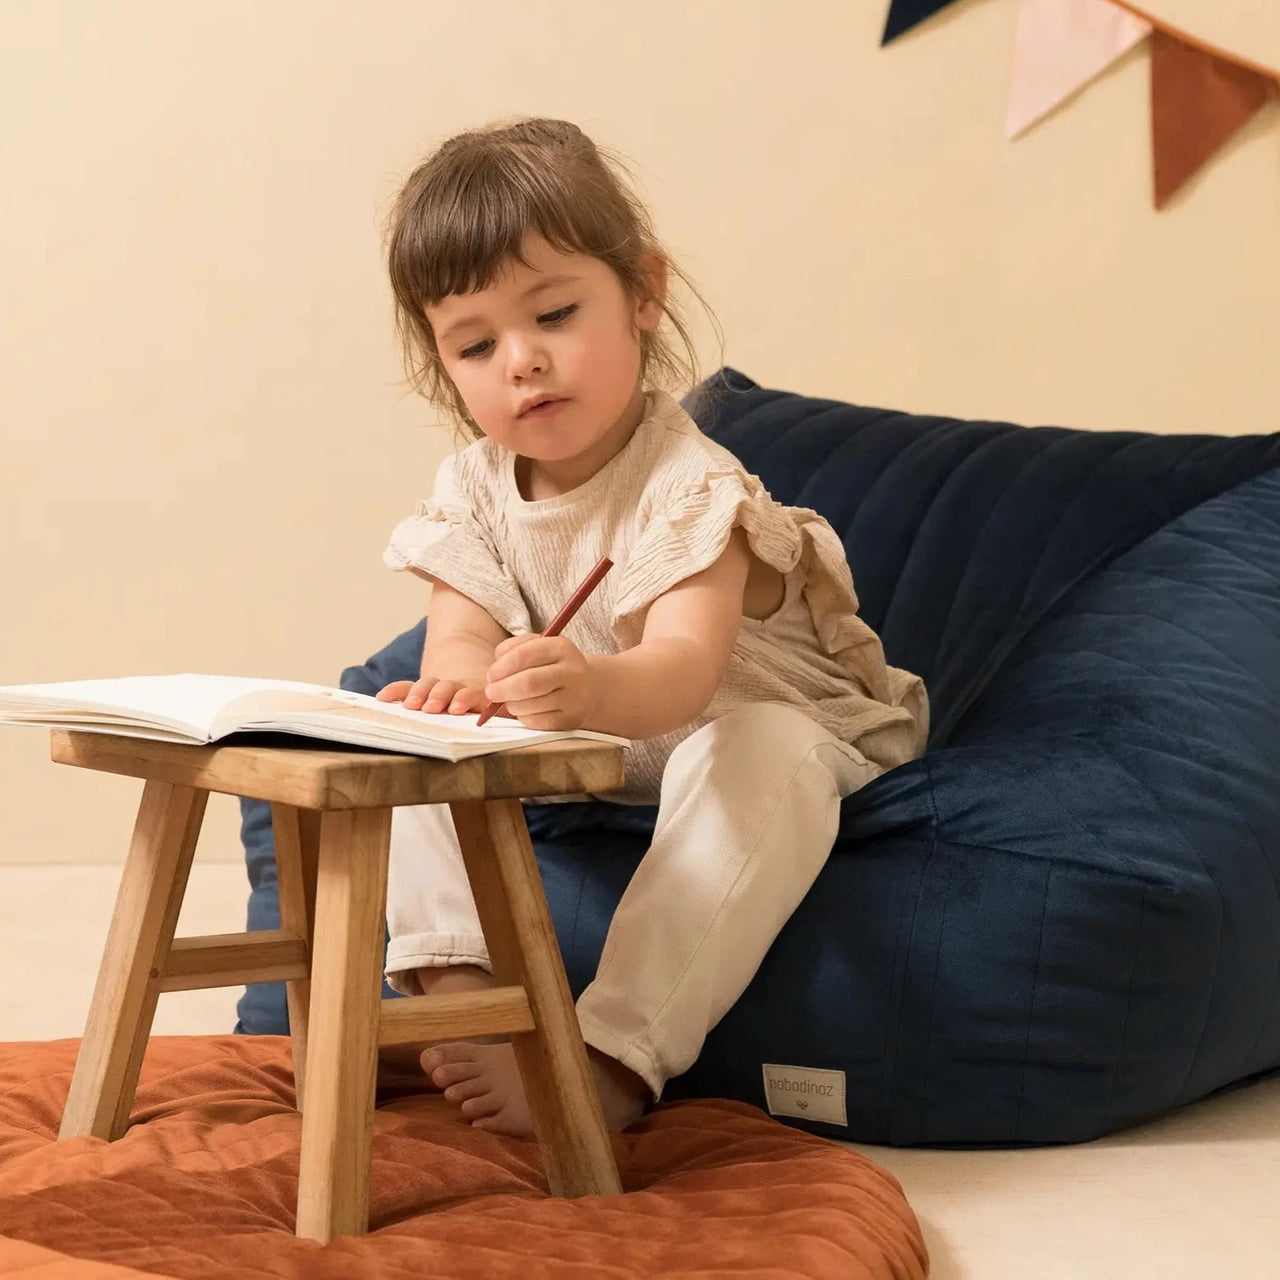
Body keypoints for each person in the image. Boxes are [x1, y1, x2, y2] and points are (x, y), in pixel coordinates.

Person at [374, 116, 929, 1136]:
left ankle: (613, 1058)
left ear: (641, 292)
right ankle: (460, 987)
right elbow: (453, 634)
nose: (522, 362)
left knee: (747, 747)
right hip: (606, 753)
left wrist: (583, 689)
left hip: (764, 727)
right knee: (402, 730)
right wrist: (452, 688)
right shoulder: (471, 487)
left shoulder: (689, 488)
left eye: (553, 313)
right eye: (476, 343)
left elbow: (679, 670)